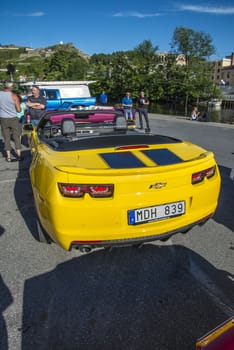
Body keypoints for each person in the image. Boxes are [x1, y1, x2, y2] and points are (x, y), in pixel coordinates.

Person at [0, 81, 23, 162]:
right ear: (11, 87)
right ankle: (19, 156)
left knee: (6, 138)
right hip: (13, 118)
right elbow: (19, 110)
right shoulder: (14, 96)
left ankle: (8, 157)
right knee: (16, 137)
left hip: (3, 118)